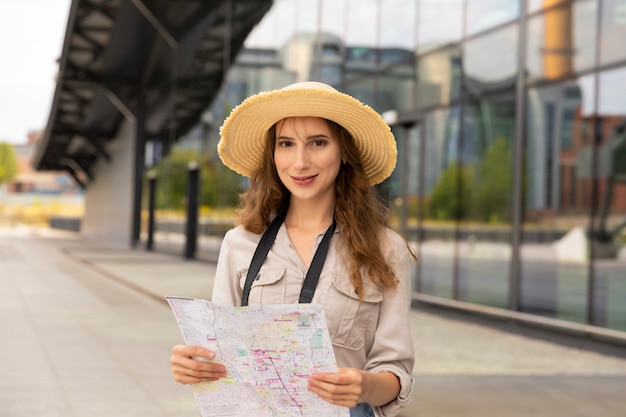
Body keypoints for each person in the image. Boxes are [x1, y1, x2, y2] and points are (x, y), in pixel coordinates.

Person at [170, 81, 416, 417]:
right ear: (273, 155)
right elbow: (221, 355)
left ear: (343, 152)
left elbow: (397, 372)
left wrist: (366, 386)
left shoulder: (387, 249)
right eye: (286, 144)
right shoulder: (239, 243)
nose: (299, 162)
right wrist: (194, 365)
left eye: (318, 142)